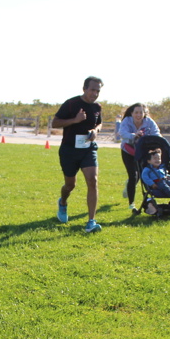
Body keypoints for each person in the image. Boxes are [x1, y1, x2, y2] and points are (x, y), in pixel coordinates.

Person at [53, 77, 104, 233]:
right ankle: (63, 202)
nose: (95, 93)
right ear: (84, 88)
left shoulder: (97, 107)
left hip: (88, 149)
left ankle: (91, 222)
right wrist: (75, 120)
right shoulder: (71, 104)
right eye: (92, 90)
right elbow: (55, 123)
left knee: (93, 180)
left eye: (98, 91)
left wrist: (95, 131)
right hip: (69, 150)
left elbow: (99, 123)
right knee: (70, 185)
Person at [117, 103, 161, 214]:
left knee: (143, 175)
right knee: (133, 176)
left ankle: (134, 190)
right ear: (131, 113)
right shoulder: (126, 121)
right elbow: (122, 133)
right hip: (128, 150)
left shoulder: (149, 122)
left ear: (144, 113)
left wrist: (151, 140)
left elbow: (157, 134)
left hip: (143, 151)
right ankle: (131, 204)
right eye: (136, 112)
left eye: (141, 112)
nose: (138, 115)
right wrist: (134, 135)